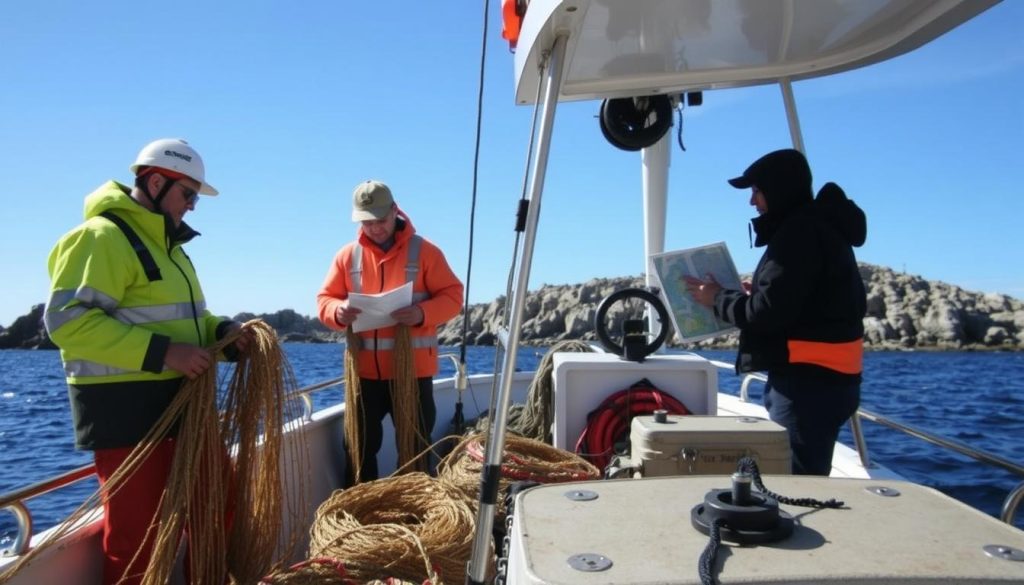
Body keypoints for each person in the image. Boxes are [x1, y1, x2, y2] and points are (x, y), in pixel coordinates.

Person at [43, 138, 249, 585]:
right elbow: (66, 321)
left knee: (219, 510)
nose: (193, 206)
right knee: (138, 541)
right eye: (188, 194)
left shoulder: (171, 249)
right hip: (127, 416)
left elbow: (188, 321)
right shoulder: (100, 238)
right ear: (155, 181)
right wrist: (164, 353)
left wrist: (223, 334)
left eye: (195, 196)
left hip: (186, 409)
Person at [685, 148, 867, 475]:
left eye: (756, 190)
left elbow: (766, 314)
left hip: (807, 387)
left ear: (779, 189)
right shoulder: (822, 227)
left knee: (799, 485)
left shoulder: (797, 234)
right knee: (809, 474)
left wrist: (716, 298)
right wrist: (757, 295)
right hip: (835, 382)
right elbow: (805, 301)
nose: (752, 201)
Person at [317, 180, 464, 483]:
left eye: (380, 220)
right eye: (366, 222)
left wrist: (421, 313)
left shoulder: (425, 252)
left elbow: (453, 297)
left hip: (412, 373)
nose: (374, 228)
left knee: (415, 449)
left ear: (395, 211)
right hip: (364, 375)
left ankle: (415, 514)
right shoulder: (347, 256)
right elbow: (324, 300)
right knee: (357, 447)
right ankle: (360, 513)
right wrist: (337, 311)